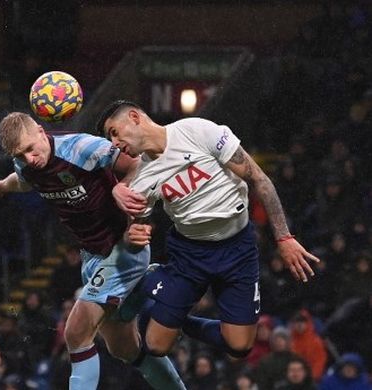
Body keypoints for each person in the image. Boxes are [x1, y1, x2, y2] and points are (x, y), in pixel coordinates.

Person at [96, 100, 320, 370]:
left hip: (238, 249)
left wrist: (284, 238)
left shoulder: (197, 131)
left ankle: (175, 316)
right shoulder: (142, 178)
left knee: (240, 346)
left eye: (114, 132)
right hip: (190, 254)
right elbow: (139, 227)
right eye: (109, 138)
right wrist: (134, 233)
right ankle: (153, 281)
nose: (115, 142)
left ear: (134, 117)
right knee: (156, 346)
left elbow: (259, 179)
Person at [0, 112, 184, 389]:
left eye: (30, 149)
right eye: (20, 155)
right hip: (92, 256)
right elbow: (22, 180)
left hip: (124, 246)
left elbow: (137, 163)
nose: (29, 158)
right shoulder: (27, 166)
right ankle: (143, 289)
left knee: (76, 332)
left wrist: (124, 193)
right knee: (123, 348)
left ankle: (146, 282)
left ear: (42, 133)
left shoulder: (80, 148)